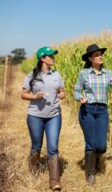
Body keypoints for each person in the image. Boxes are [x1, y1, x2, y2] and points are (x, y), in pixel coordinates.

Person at [74, 44, 112, 184]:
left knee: (101, 145)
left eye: (100, 54)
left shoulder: (108, 73)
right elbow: (77, 91)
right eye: (96, 55)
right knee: (91, 143)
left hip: (102, 111)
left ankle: (95, 163)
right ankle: (90, 174)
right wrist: (81, 98)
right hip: (88, 110)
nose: (100, 56)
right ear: (90, 59)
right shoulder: (83, 73)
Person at [21, 47, 65, 191]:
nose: (53, 58)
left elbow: (62, 91)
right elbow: (23, 94)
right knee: (36, 146)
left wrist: (62, 95)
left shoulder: (57, 74)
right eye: (50, 56)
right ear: (42, 58)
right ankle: (34, 172)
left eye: (53, 56)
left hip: (54, 115)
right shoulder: (31, 75)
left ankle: (54, 181)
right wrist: (35, 97)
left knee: (53, 147)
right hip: (35, 116)